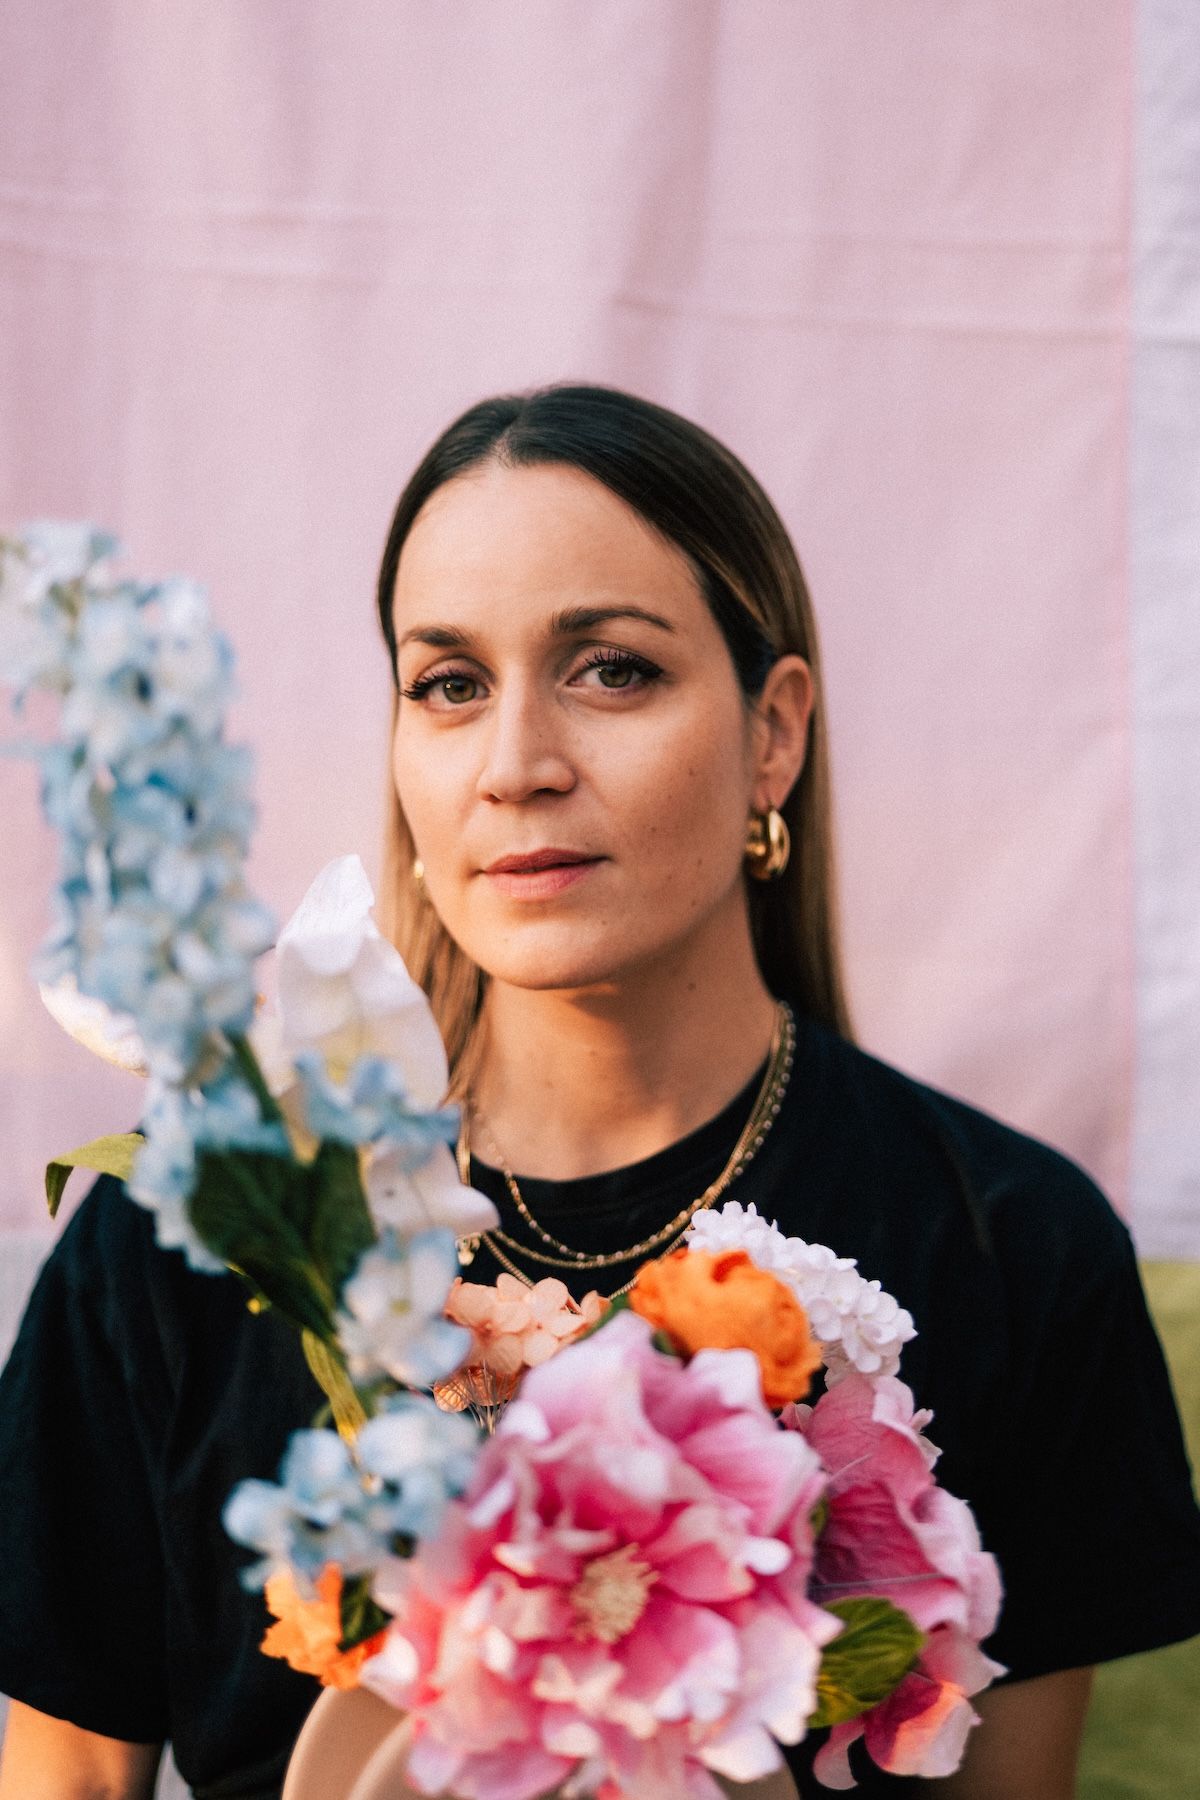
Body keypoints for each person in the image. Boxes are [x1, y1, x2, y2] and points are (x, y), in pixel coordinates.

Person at [1, 383, 1198, 1800]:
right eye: (450, 686)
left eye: (611, 670)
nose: (516, 767)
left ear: (774, 733)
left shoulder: (1016, 1246)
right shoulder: (193, 1225)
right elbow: (64, 1776)